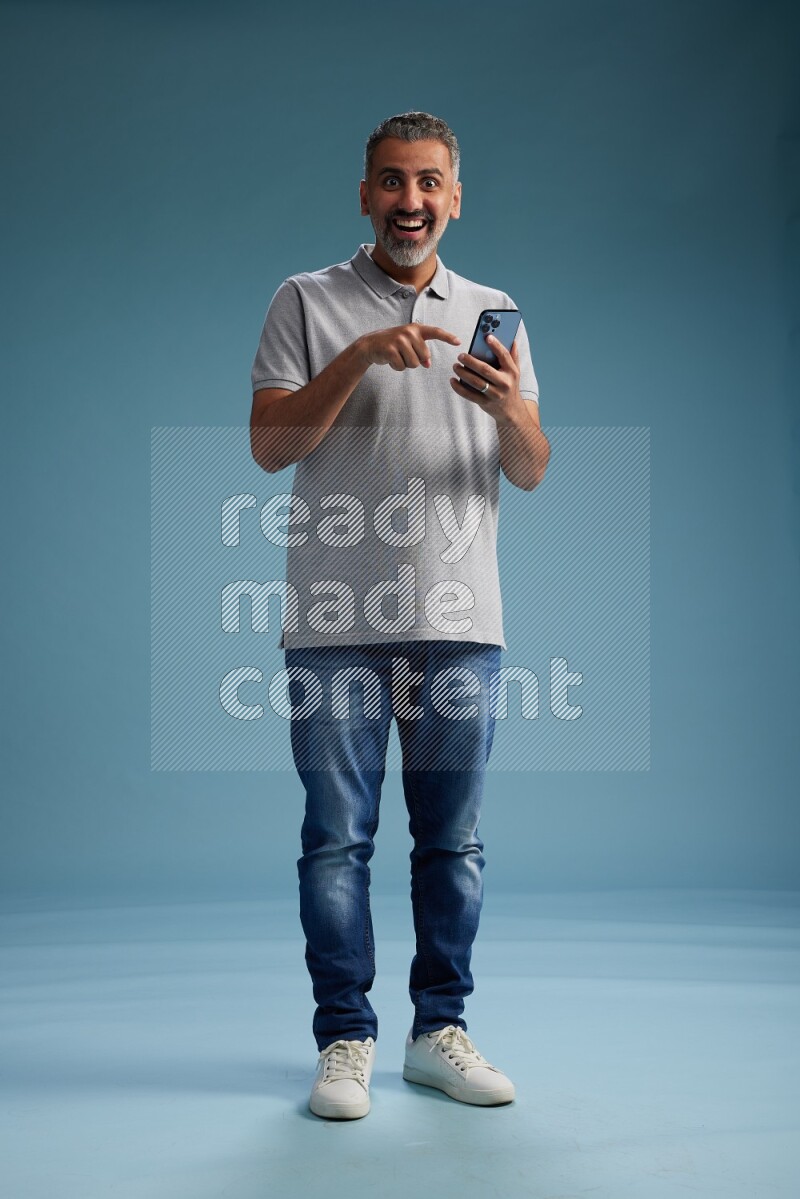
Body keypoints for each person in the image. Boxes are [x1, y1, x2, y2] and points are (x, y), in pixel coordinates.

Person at [249, 111, 550, 1120]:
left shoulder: (495, 310)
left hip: (460, 617)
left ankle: (437, 1031)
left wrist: (510, 408)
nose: (408, 201)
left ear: (453, 196)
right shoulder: (306, 299)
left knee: (451, 841)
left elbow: (530, 467)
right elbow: (269, 444)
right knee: (336, 839)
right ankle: (344, 1040)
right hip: (333, 619)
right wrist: (361, 358)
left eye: (427, 182)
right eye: (389, 181)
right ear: (364, 194)